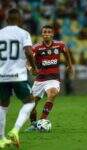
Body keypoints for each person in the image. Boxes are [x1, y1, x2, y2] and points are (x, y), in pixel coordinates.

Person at [0, 8, 36, 148]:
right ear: (20, 20)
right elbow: (28, 51)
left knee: (3, 106)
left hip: (2, 75)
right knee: (29, 102)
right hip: (18, 75)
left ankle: (2, 139)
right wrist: (34, 68)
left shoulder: (0, 33)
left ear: (6, 19)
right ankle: (15, 130)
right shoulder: (24, 33)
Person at [26, 25, 74, 131]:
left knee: (52, 94)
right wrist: (30, 68)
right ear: (42, 34)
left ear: (52, 34)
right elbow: (28, 60)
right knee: (31, 105)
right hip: (40, 79)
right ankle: (34, 124)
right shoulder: (36, 47)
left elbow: (66, 53)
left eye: (48, 32)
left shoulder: (59, 45)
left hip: (53, 78)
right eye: (44, 32)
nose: (46, 34)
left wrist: (69, 65)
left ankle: (42, 120)